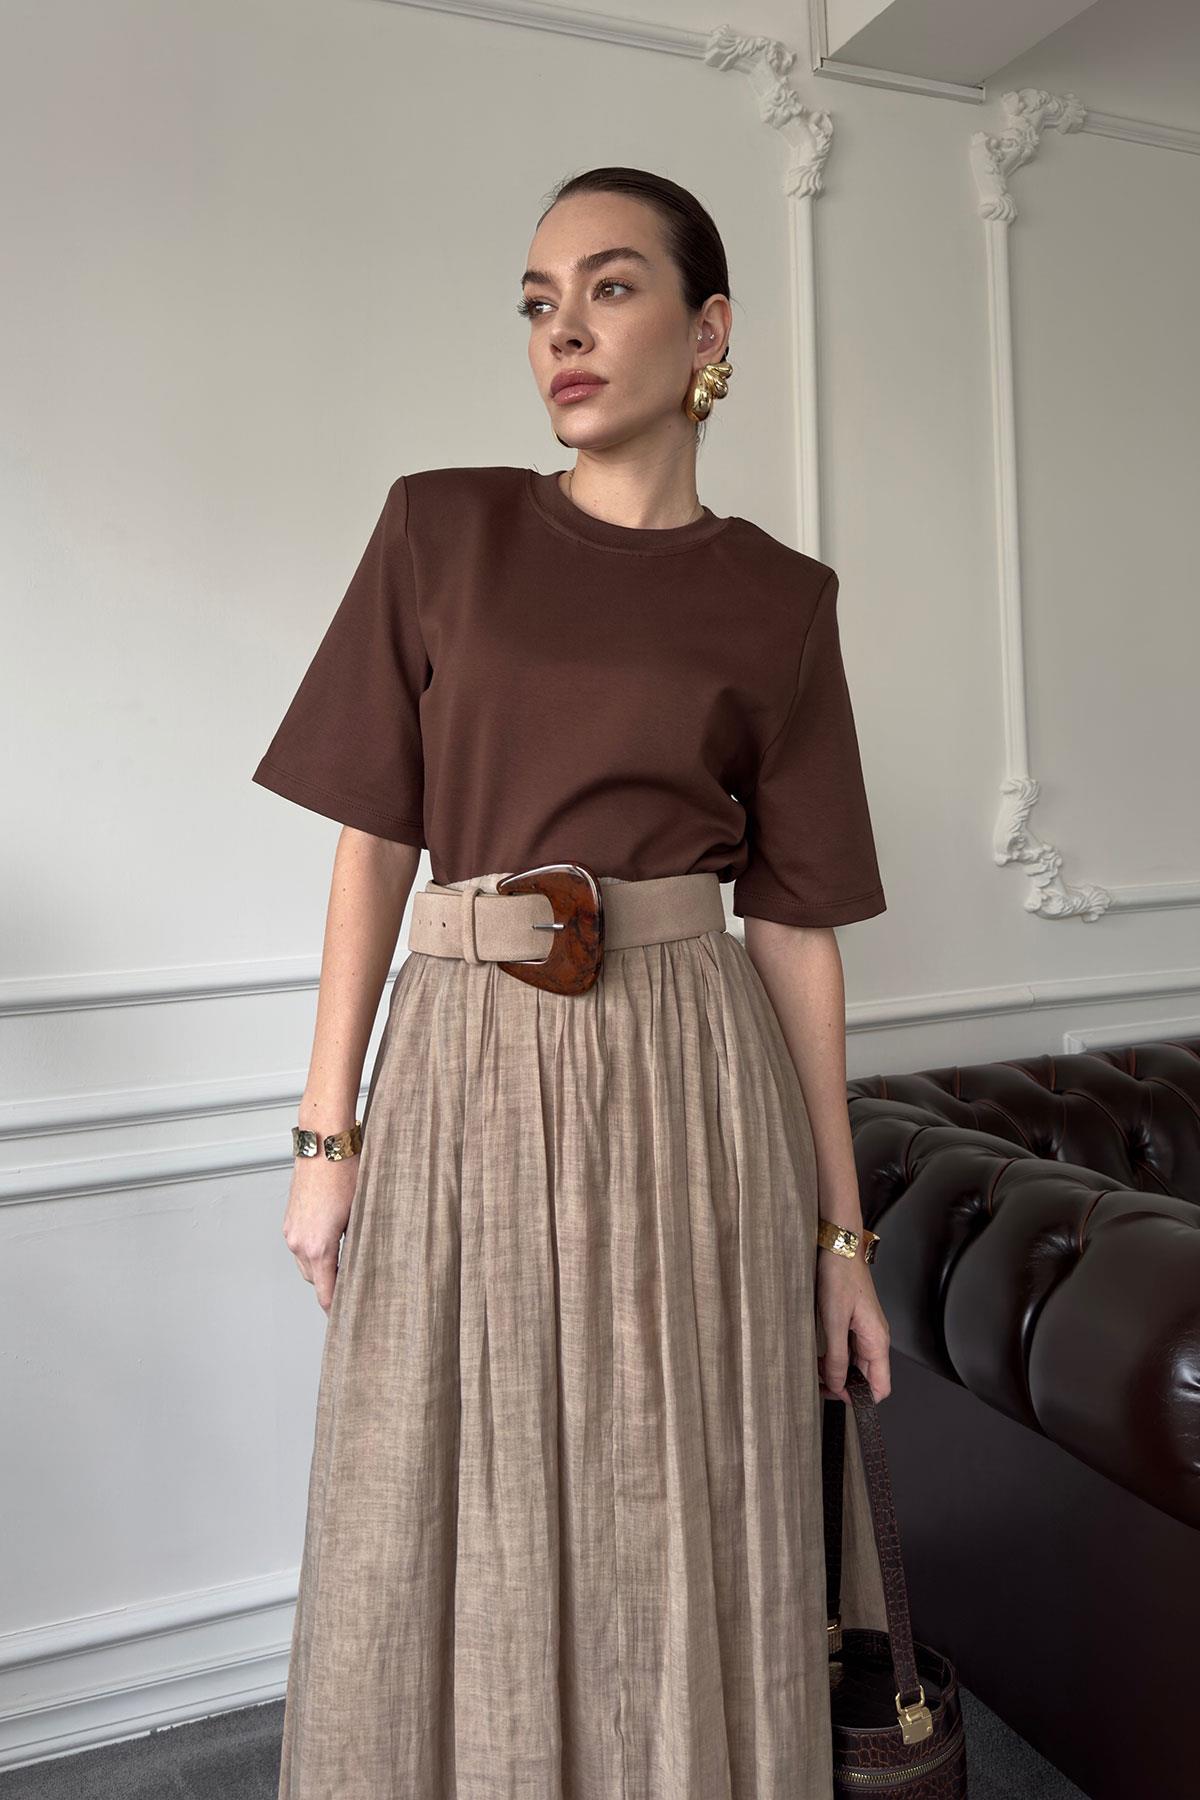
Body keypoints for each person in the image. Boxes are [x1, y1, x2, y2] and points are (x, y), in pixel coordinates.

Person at [253, 164, 892, 1800]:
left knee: (680, 1482)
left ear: (710, 330)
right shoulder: (440, 528)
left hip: (693, 1078)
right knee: (433, 1480)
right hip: (463, 1065)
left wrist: (842, 1241)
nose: (565, 332)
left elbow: (794, 926)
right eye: (540, 303)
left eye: (610, 288)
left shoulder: (783, 602)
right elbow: (374, 846)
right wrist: (326, 1136)